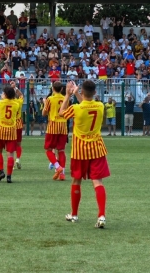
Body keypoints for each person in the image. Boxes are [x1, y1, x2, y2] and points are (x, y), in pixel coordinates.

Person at [59, 80, 109, 228]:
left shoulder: (76, 108)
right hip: (97, 148)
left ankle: (74, 214)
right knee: (98, 182)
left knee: (76, 181)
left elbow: (62, 113)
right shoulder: (100, 106)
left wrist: (68, 95)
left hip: (80, 150)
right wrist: (77, 93)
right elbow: (87, 105)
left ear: (82, 92)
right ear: (94, 92)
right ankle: (101, 216)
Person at [0, 85, 20, 183]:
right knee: (10, 154)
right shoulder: (16, 104)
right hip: (12, 131)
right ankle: (9, 176)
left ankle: (1, 171)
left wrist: (2, 100)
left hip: (1, 130)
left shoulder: (0, 102)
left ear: (5, 94)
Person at [43, 81, 68, 181]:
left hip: (53, 126)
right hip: (63, 126)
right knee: (61, 150)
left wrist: (45, 103)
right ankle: (62, 175)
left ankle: (58, 167)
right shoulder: (65, 99)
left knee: (49, 150)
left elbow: (44, 113)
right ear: (62, 89)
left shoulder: (50, 99)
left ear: (53, 89)